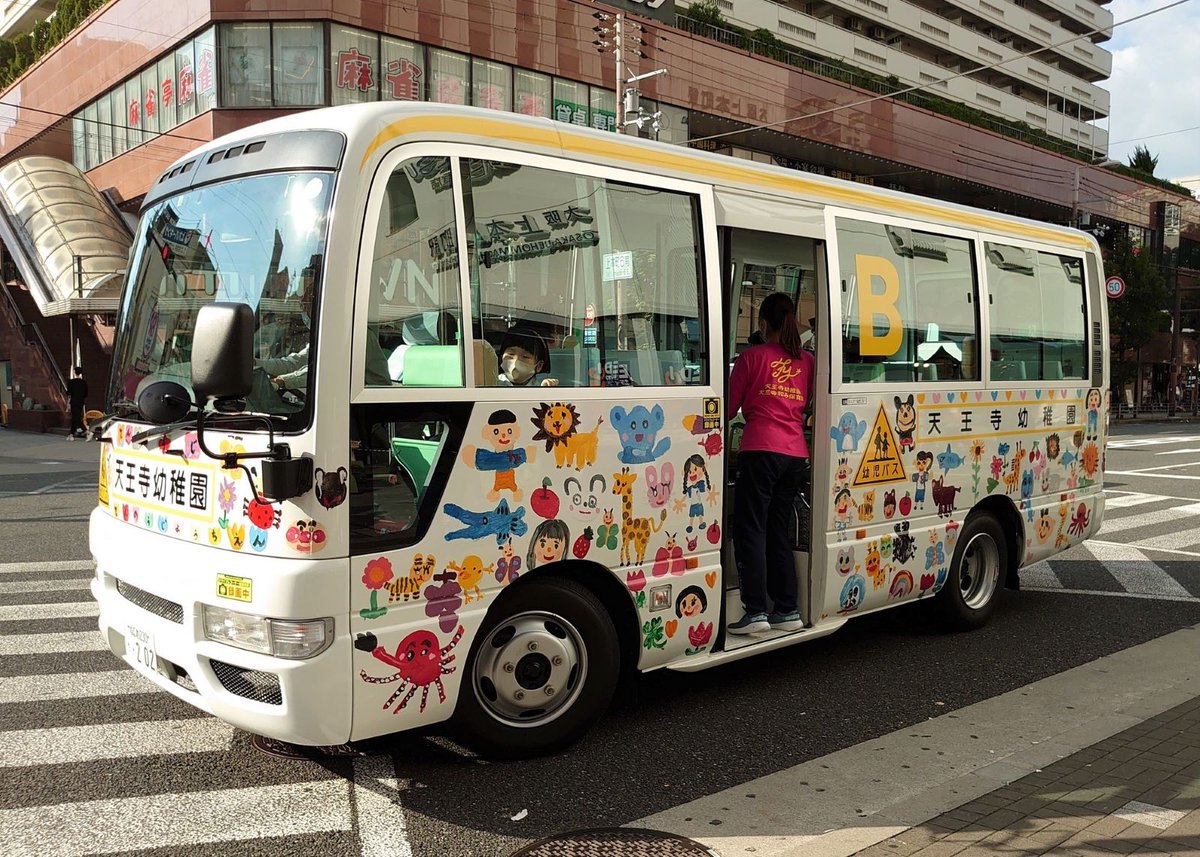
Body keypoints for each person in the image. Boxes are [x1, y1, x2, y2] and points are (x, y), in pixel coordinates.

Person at [727, 292, 815, 635]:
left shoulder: (752, 358)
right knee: (778, 530)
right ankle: (787, 609)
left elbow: (728, 407)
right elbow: (805, 403)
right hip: (795, 455)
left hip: (761, 450)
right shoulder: (806, 361)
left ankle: (756, 611)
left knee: (751, 528)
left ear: (763, 323)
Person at [67, 366, 88, 439]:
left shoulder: (71, 382)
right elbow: (86, 394)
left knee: (75, 417)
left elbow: (68, 393)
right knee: (76, 417)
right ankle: (72, 434)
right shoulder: (84, 382)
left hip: (74, 401)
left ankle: (86, 431)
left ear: (74, 372)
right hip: (81, 402)